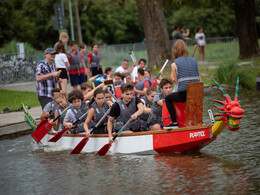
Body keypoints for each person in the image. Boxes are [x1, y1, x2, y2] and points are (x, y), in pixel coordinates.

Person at [165, 39, 200, 127]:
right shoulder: (194, 61)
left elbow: (177, 83)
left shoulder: (174, 64)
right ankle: (198, 120)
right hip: (197, 94)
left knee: (168, 98)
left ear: (175, 51)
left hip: (185, 94)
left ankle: (174, 122)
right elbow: (199, 78)